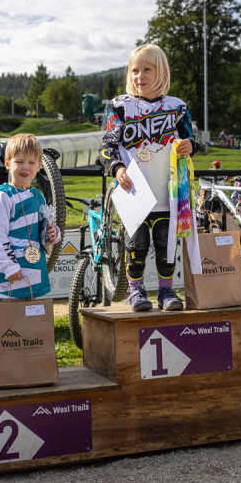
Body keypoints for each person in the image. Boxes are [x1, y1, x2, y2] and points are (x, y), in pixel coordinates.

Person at [98, 44, 202, 312]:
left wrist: (191, 144)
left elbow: (191, 139)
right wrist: (118, 168)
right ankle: (136, 291)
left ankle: (167, 292)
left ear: (162, 71)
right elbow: (107, 147)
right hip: (134, 194)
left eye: (147, 69)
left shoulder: (177, 107)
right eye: (134, 70)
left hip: (168, 194)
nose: (139, 76)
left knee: (167, 247)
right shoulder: (119, 106)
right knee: (137, 247)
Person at [0, 134, 61, 301]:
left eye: (31, 162)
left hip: (33, 274)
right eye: (19, 162)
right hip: (9, 276)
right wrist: (8, 267)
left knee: (32, 323)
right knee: (8, 325)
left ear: (39, 165)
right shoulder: (2, 197)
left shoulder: (38, 196)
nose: (25, 167)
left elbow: (43, 229)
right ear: (7, 163)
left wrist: (54, 233)